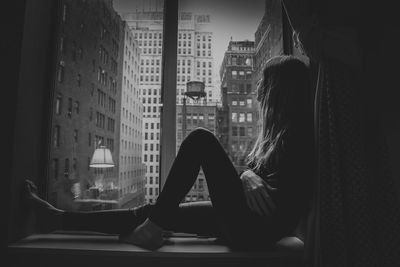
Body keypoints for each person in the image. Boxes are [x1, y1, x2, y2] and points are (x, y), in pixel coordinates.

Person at [26, 55, 314, 251]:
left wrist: (247, 179)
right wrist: (247, 175)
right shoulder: (273, 139)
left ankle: (151, 230)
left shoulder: (300, 136)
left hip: (253, 229)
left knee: (200, 139)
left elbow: (284, 204)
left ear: (278, 90)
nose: (258, 91)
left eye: (264, 84)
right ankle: (59, 219)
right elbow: (256, 187)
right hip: (245, 223)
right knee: (154, 212)